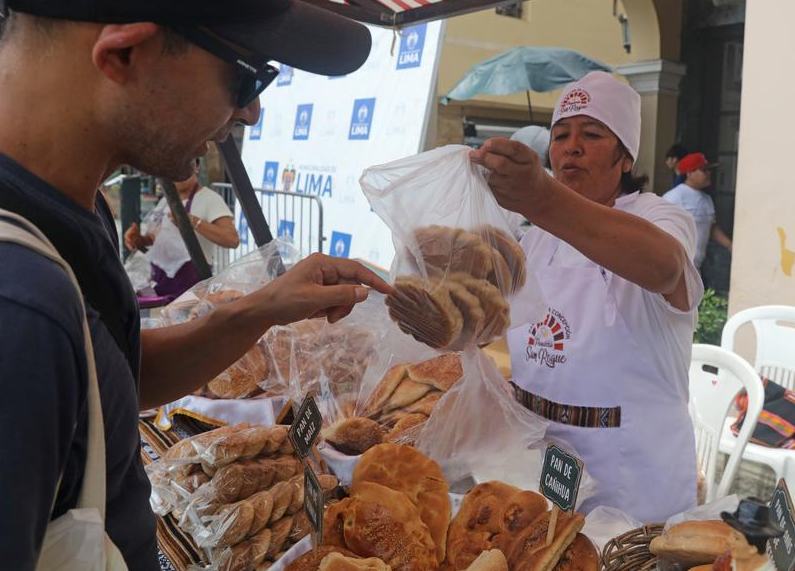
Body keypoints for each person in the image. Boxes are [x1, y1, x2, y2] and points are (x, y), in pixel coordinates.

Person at [0, 2, 387, 570]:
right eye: (247, 76)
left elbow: (112, 381)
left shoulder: (67, 209)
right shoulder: (18, 304)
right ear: (125, 53)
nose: (252, 112)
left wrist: (260, 310)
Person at [471, 71, 703, 522]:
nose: (570, 147)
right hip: (540, 478)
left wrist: (542, 198)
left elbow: (664, 265)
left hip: (633, 487)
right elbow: (492, 327)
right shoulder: (535, 238)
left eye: (592, 134)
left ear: (625, 158)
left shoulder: (660, 215)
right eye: (560, 135)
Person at [124, 160, 240, 298]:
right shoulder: (165, 201)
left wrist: (191, 221)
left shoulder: (210, 199)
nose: (178, 172)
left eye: (184, 164)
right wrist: (139, 240)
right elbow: (154, 239)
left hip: (192, 289)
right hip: (160, 285)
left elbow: (232, 239)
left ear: (196, 167)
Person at [663, 152, 732, 269]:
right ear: (689, 173)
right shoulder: (673, 197)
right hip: (675, 267)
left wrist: (730, 246)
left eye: (708, 170)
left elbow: (711, 228)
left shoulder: (707, 199)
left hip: (696, 267)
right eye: (704, 170)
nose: (709, 173)